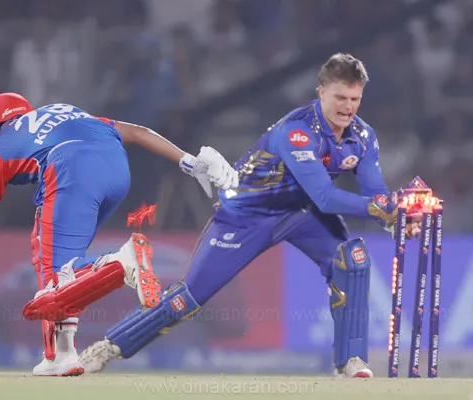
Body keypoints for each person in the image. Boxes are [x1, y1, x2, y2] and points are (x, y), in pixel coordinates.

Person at [79, 53, 418, 378]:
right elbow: (326, 198)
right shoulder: (296, 130)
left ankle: (351, 361)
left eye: (355, 99)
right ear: (321, 92)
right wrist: (384, 209)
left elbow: (375, 195)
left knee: (352, 261)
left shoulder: (362, 136)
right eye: (340, 97)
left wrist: (397, 217)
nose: (347, 107)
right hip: (246, 213)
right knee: (188, 298)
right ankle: (108, 347)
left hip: (302, 212)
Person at [0, 93, 239, 376]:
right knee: (63, 270)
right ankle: (61, 355)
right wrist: (189, 162)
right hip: (117, 170)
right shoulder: (62, 110)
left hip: (70, 168)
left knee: (52, 271)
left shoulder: (0, 148)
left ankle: (121, 262)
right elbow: (137, 132)